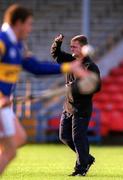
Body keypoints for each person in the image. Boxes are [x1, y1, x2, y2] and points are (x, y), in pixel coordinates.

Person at [0, 4, 93, 175]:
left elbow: (36, 67)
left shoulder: (19, 46)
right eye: (28, 24)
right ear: (18, 23)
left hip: (4, 103)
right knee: (11, 145)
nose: (30, 29)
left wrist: (69, 68)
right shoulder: (2, 41)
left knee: (17, 141)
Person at [51, 34, 101, 176]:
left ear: (83, 48)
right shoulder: (71, 60)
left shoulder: (90, 66)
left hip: (81, 108)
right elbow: (56, 55)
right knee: (64, 136)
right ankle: (86, 158)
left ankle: (81, 168)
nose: (71, 48)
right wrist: (57, 42)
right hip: (68, 106)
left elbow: (96, 87)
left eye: (74, 46)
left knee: (78, 138)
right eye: (71, 46)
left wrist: (76, 86)